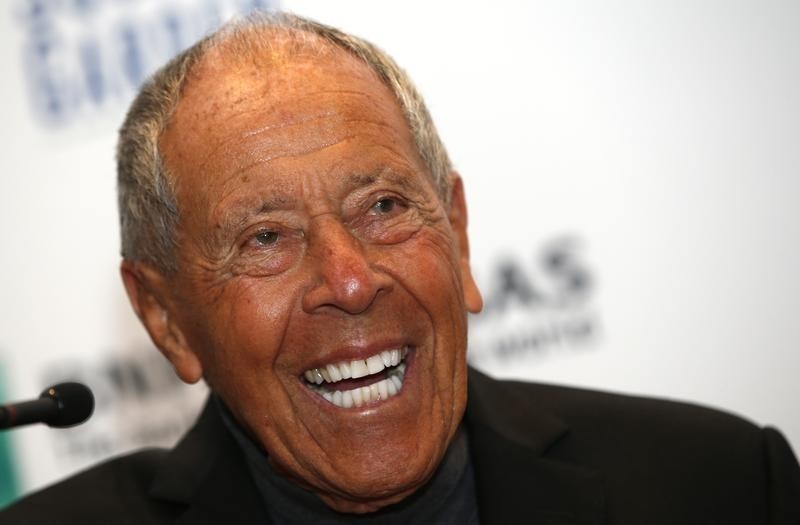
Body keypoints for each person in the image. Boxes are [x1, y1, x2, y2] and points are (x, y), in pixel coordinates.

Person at [2, 11, 799, 524]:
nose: (349, 280)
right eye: (265, 239)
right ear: (167, 319)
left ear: (454, 231)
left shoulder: (722, 484)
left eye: (382, 207)